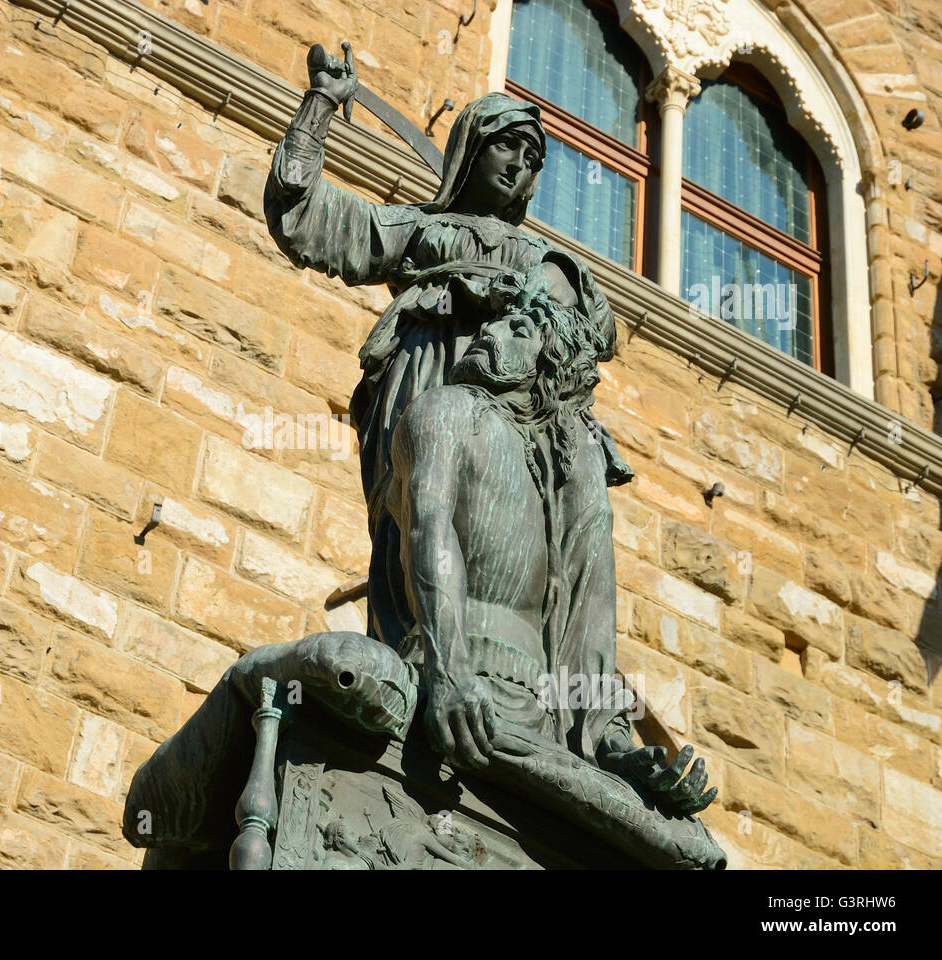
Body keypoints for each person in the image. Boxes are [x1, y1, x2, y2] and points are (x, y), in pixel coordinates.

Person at [265, 44, 714, 816]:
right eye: (507, 144)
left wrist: (537, 305)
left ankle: (595, 724)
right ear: (472, 148)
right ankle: (437, 658)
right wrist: (319, 109)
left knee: (582, 543)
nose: (521, 164)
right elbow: (303, 219)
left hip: (539, 414)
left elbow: (595, 335)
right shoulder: (425, 231)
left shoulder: (552, 261)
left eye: (534, 153)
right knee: (430, 516)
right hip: (442, 384)